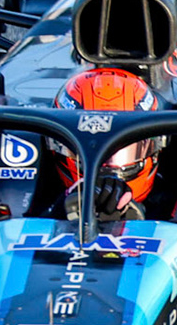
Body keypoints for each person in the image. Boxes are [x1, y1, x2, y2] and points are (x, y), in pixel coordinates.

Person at [51, 67, 162, 220]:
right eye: (93, 147)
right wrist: (62, 209)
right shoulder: (39, 195)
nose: (106, 167)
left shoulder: (170, 195)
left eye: (123, 149)